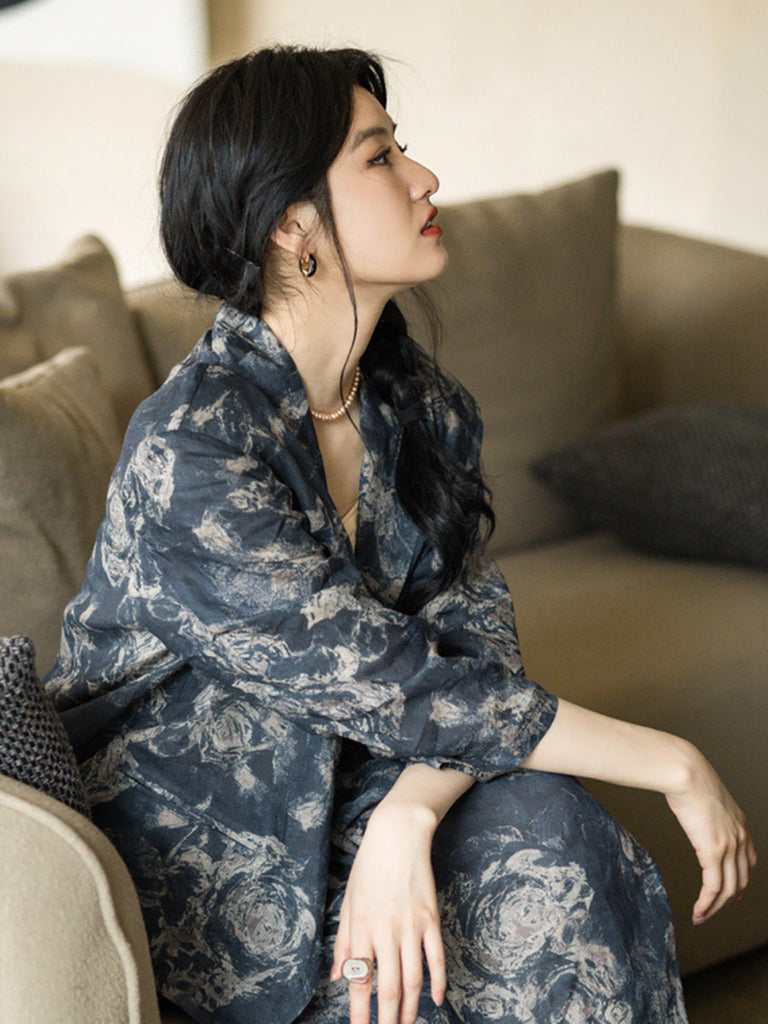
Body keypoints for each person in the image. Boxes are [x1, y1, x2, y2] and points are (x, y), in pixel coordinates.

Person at [46, 46, 755, 1024]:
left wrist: (407, 819)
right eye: (380, 157)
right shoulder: (191, 450)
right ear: (292, 223)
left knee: (557, 830)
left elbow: (474, 654)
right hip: (201, 850)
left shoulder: (419, 406)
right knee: (449, 947)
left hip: (362, 780)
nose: (426, 178)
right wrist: (674, 761)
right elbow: (386, 677)